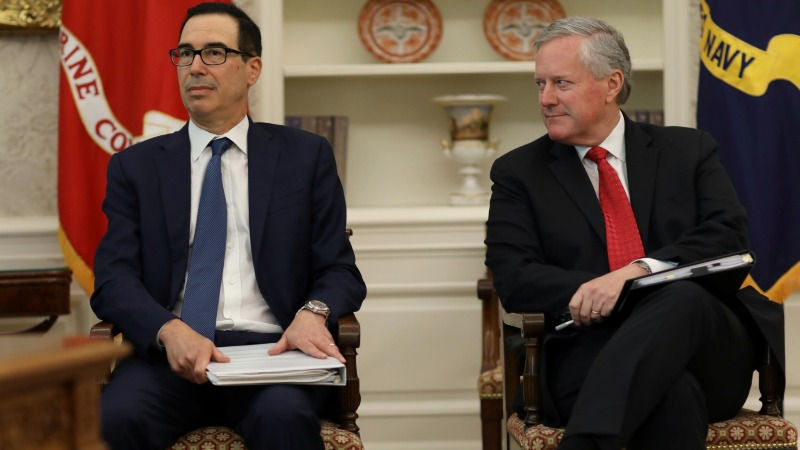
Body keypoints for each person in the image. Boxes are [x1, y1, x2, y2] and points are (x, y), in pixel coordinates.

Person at [485, 17, 783, 450]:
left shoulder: (688, 151)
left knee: (680, 294)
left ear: (612, 83)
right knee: (671, 396)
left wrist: (632, 276)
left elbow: (728, 237)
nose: (546, 99)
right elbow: (514, 277)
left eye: (561, 83)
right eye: (539, 84)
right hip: (587, 352)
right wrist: (599, 291)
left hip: (707, 350)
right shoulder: (518, 173)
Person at [90, 3, 366, 449]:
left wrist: (313, 314)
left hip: (272, 358)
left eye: (214, 53)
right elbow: (113, 280)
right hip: (168, 359)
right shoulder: (135, 168)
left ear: (252, 67)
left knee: (284, 419)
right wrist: (168, 330)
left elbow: (339, 269)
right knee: (117, 418)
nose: (195, 67)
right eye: (185, 54)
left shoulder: (305, 157)